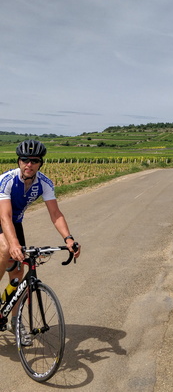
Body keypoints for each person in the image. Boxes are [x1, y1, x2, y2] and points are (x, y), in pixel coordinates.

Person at [0, 139, 81, 340]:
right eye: (25, 160)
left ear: (40, 163)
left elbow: (55, 213)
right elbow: (4, 217)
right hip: (3, 217)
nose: (29, 164)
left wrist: (68, 238)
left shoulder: (44, 183)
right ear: (19, 161)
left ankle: (15, 321)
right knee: (5, 249)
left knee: (18, 272)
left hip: (14, 221)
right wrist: (14, 244)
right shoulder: (7, 180)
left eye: (34, 161)